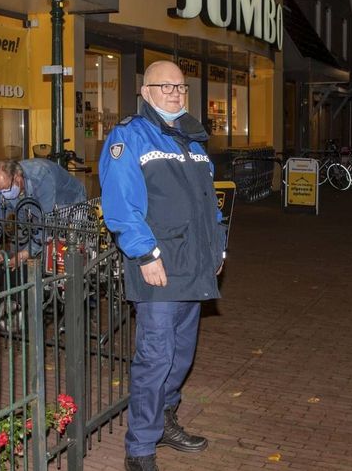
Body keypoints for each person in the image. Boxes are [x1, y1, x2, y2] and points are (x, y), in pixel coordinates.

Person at [99, 61, 226, 471]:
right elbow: (121, 204)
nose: (175, 92)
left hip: (194, 266)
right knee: (156, 357)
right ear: (146, 90)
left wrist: (217, 249)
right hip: (159, 266)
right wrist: (145, 254)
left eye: (180, 86)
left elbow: (209, 206)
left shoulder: (192, 139)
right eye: (165, 85)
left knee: (182, 354)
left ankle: (166, 420)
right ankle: (140, 449)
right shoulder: (130, 136)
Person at [0, 158, 87, 266]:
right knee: (29, 245)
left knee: (65, 254)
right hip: (35, 208)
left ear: (17, 177)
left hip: (69, 203)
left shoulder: (41, 177)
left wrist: (27, 252)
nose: (3, 194)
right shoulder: (4, 186)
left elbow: (45, 222)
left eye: (5, 189)